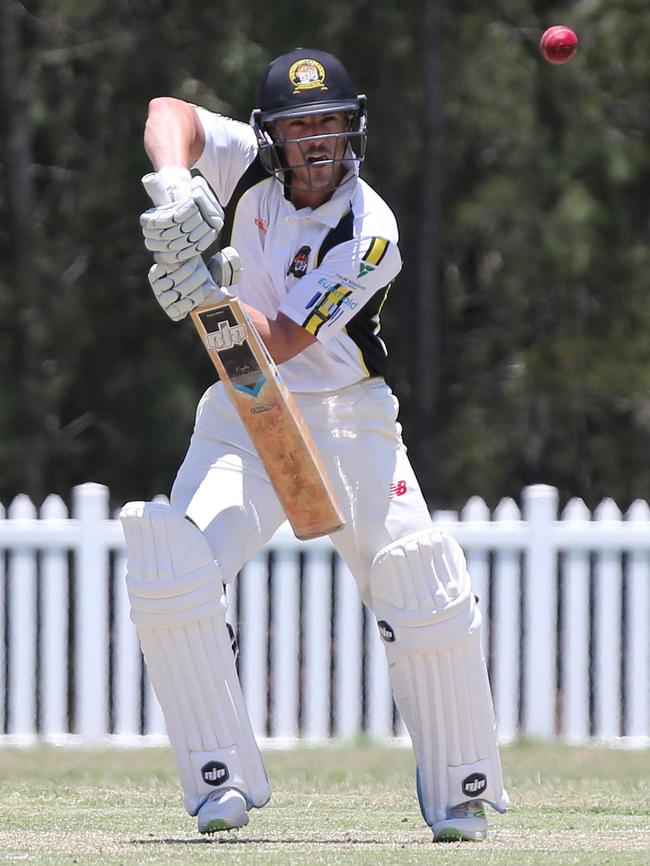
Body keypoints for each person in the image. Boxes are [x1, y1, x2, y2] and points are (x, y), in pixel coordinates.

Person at [120, 47, 508, 842]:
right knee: (175, 573)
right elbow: (170, 112)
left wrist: (208, 279)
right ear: (272, 137)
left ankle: (460, 789)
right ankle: (218, 779)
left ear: (355, 130)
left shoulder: (373, 230)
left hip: (348, 420)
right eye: (301, 128)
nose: (319, 141)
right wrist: (176, 188)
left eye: (332, 123)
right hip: (243, 415)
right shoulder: (247, 167)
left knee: (418, 585)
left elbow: (284, 340)